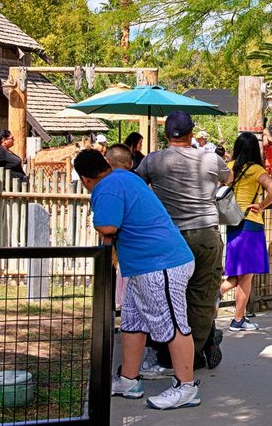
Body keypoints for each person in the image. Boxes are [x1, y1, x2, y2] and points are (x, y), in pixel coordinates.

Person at [73, 149, 199, 410]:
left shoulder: (106, 187)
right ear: (105, 163)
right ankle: (128, 380)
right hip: (145, 266)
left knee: (173, 324)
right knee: (133, 320)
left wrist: (97, 221)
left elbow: (107, 226)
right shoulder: (124, 176)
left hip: (161, 264)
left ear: (85, 179)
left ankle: (186, 387)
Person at [136, 111, 232, 371]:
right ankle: (196, 351)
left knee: (166, 296)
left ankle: (167, 351)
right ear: (192, 134)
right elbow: (228, 179)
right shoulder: (211, 158)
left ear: (166, 135)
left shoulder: (152, 161)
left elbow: (137, 187)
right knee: (202, 296)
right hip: (205, 234)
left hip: (168, 237)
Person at [220, 132, 272, 331]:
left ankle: (236, 314)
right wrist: (262, 205)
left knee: (239, 273)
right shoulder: (256, 169)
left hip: (232, 222)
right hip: (251, 224)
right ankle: (235, 316)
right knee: (246, 276)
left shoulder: (230, 167)